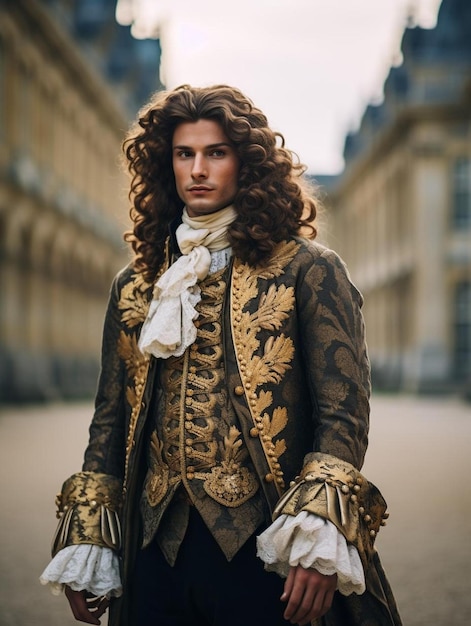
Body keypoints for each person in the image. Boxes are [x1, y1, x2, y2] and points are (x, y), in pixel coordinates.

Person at [40, 84, 402, 626]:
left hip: (267, 551)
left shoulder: (309, 269)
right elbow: (110, 420)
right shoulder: (136, 287)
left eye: (216, 153)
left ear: (247, 163)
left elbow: (343, 412)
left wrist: (320, 531)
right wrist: (90, 540)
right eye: (184, 154)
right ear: (168, 166)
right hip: (153, 552)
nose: (198, 169)